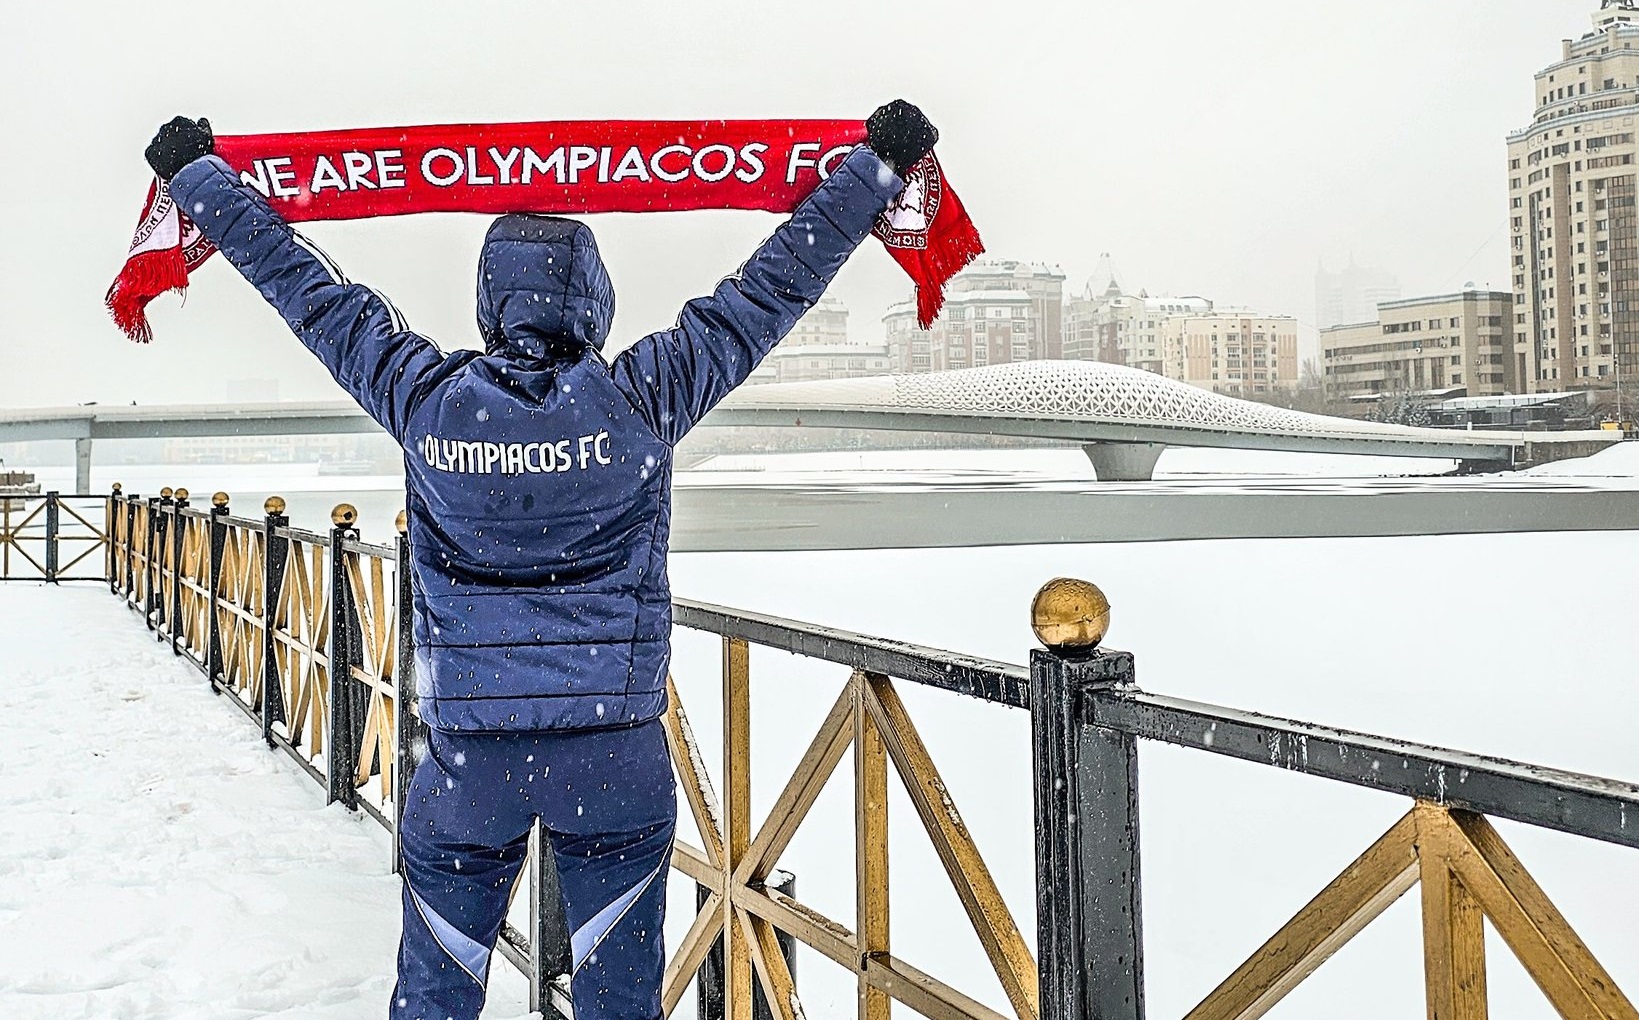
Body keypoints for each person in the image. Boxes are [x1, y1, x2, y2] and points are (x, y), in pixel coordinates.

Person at [143, 101, 938, 1020]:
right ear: (595, 302)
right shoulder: (643, 398)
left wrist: (199, 180)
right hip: (614, 753)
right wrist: (875, 169)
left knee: (436, 996)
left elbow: (309, 295)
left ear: (489, 301)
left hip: (467, 763)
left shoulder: (426, 400)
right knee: (616, 1001)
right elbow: (769, 289)